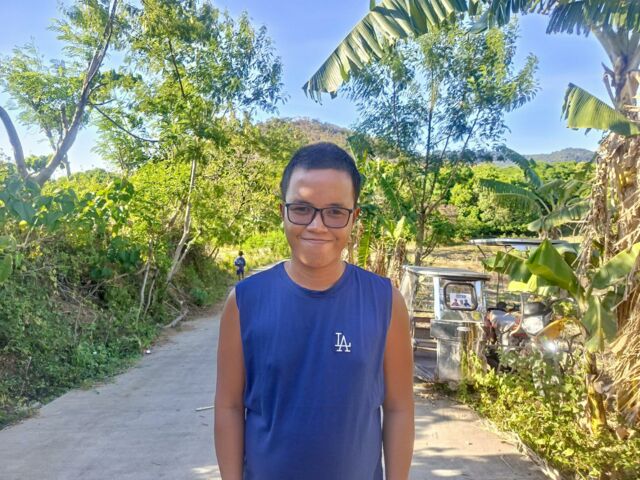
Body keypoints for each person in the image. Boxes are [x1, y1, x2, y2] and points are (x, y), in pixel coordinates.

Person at [214, 142, 415, 480]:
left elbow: (399, 408)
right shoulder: (244, 302)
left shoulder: (385, 302)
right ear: (282, 212)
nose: (317, 226)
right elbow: (229, 407)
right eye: (302, 209)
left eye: (335, 211)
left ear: (354, 217)